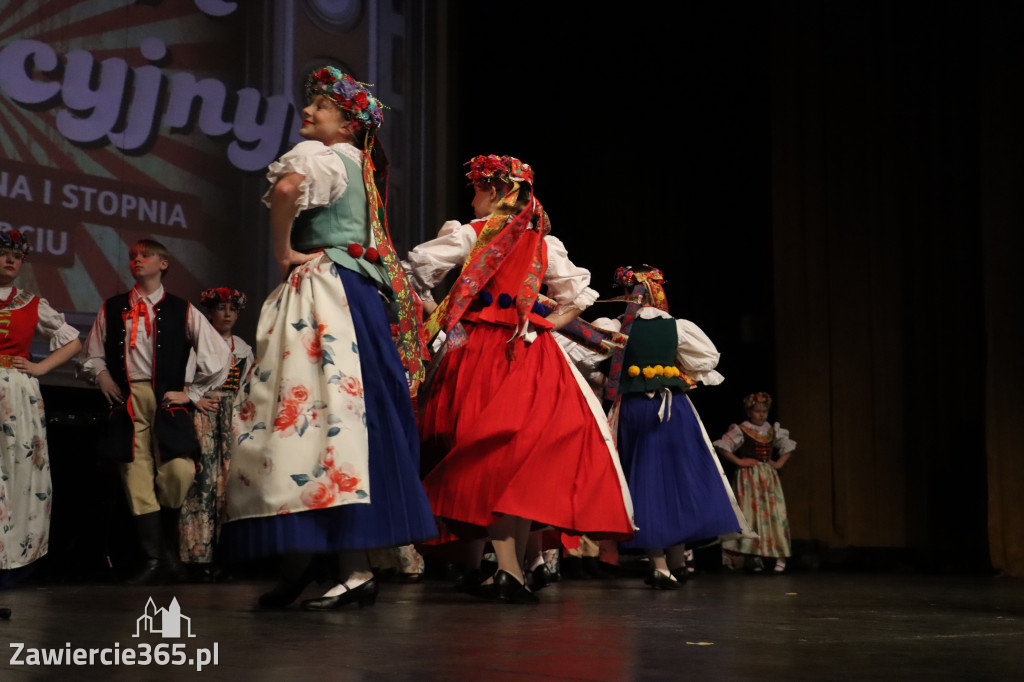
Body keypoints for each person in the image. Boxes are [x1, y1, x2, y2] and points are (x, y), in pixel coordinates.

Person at [221, 66, 435, 610]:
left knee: (317, 420)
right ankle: (313, 562)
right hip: (354, 297)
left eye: (321, 107)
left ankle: (342, 565)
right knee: (330, 424)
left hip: (326, 295)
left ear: (347, 123)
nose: (309, 112)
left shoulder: (318, 157)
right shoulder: (358, 165)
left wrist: (283, 252)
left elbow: (289, 187)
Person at [407, 154, 635, 604]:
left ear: (493, 191)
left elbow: (415, 270)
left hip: (478, 350)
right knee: (511, 457)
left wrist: (442, 317)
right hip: (529, 351)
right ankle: (506, 568)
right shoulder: (543, 244)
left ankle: (504, 569)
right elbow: (575, 297)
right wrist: (544, 325)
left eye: (476, 188)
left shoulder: (472, 233)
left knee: (483, 453)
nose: (472, 196)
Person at [80, 239, 231, 584]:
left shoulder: (182, 308)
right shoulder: (113, 307)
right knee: (135, 475)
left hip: (166, 399)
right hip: (128, 399)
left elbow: (218, 356)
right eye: (133, 256)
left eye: (144, 255)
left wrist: (191, 393)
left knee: (178, 472)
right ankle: (155, 558)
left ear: (163, 264)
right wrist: (101, 375)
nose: (136, 260)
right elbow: (92, 353)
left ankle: (164, 553)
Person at [597, 265, 748, 589]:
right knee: (676, 479)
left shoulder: (617, 325)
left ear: (628, 294)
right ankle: (675, 563)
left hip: (638, 409)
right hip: (674, 408)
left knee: (646, 482)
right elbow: (706, 361)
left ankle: (662, 565)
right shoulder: (677, 327)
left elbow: (588, 355)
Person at [0, 229, 81, 576]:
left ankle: (4, 561)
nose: (10, 260)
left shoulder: (32, 303)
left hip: (16, 393)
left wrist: (41, 367)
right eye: (4, 253)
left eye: (16, 256)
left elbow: (72, 341)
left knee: (15, 469)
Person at [178, 287, 253, 579]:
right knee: (202, 481)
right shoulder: (197, 345)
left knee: (228, 483)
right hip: (204, 414)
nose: (227, 314)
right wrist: (197, 399)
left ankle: (224, 556)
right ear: (210, 312)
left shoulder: (243, 348)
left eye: (232, 309)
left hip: (231, 417)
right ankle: (196, 556)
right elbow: (186, 384)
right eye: (221, 308)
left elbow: (244, 386)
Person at [714, 392, 797, 573]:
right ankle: (752, 556)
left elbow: (788, 446)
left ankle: (778, 556)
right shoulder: (742, 429)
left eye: (764, 411)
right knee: (749, 515)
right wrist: (739, 461)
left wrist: (778, 463)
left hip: (768, 478)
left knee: (772, 515)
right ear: (749, 412)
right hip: (748, 479)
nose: (761, 415)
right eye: (757, 411)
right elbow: (722, 446)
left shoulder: (772, 429)